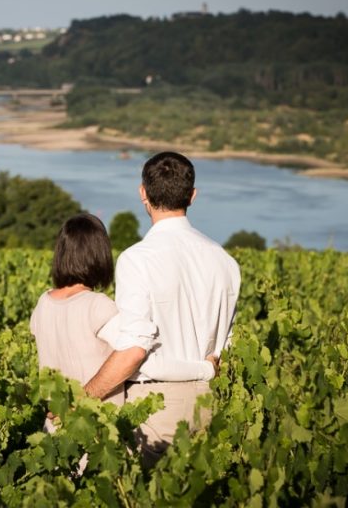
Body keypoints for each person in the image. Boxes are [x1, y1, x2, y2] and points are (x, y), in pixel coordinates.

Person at [84, 151, 241, 460]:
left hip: (157, 409)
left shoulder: (136, 259)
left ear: (143, 193)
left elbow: (134, 349)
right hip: (216, 405)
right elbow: (229, 345)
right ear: (192, 196)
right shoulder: (225, 260)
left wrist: (80, 400)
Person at [30, 213, 217, 424]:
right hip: (95, 430)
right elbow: (137, 356)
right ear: (99, 255)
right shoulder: (97, 306)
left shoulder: (42, 303)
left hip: (53, 429)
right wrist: (205, 369)